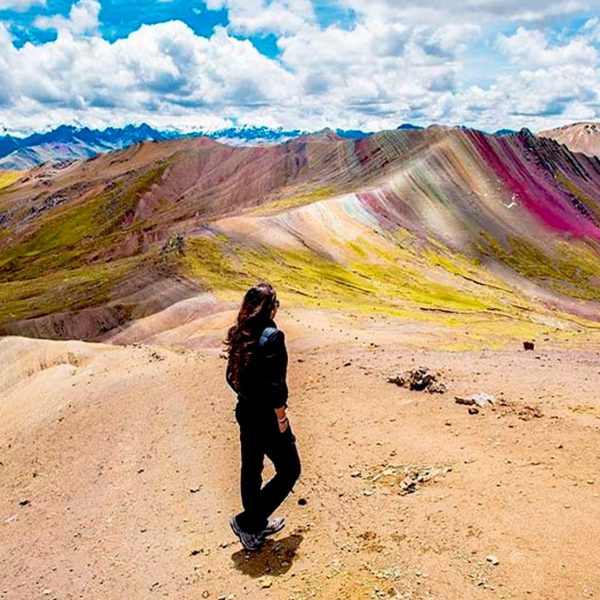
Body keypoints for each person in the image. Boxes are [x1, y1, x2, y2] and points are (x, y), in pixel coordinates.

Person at [225, 282, 301, 551]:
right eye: (276, 304)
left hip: (245, 411)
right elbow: (276, 387)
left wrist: (246, 396)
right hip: (267, 417)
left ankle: (254, 525)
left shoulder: (239, 333)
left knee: (252, 468)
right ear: (269, 309)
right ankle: (249, 522)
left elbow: (230, 377)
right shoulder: (272, 337)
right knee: (290, 469)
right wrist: (281, 418)